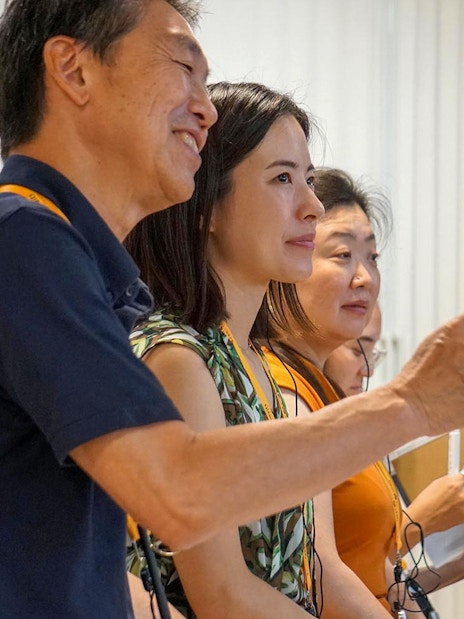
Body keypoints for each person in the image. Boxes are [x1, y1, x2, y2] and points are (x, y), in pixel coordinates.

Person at [2, 1, 464, 617]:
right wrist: (410, 404)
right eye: (182, 66)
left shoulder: (82, 267)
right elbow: (180, 495)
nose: (205, 107)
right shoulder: (26, 240)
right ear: (73, 68)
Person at [126, 80, 325, 617]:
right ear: (207, 205)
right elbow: (222, 595)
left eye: (308, 179)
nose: (314, 207)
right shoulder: (177, 359)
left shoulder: (257, 360)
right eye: (283, 179)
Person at [264, 168, 464, 617]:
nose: (365, 278)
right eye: (342, 255)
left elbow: (380, 574)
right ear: (287, 258)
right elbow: (322, 573)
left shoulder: (325, 395)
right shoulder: (280, 391)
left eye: (372, 257)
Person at [325, 302, 464, 607]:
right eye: (356, 350)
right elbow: (325, 580)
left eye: (373, 353)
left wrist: (455, 567)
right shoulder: (309, 431)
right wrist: (419, 521)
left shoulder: (358, 437)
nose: (369, 369)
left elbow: (387, 585)